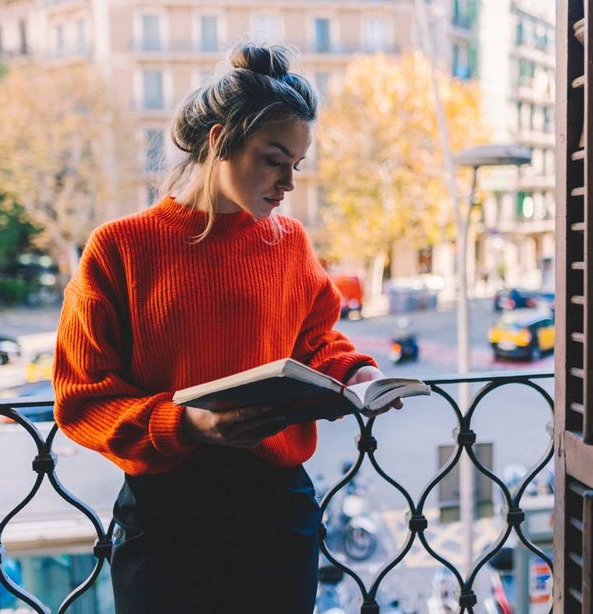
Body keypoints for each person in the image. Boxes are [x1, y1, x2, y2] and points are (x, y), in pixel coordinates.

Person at [52, 43, 400, 613]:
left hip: (275, 516)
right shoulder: (121, 248)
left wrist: (357, 373)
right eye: (273, 158)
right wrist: (187, 424)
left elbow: (316, 343)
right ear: (219, 141)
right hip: (166, 519)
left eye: (297, 164)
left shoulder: (289, 244)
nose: (289, 182)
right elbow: (82, 399)